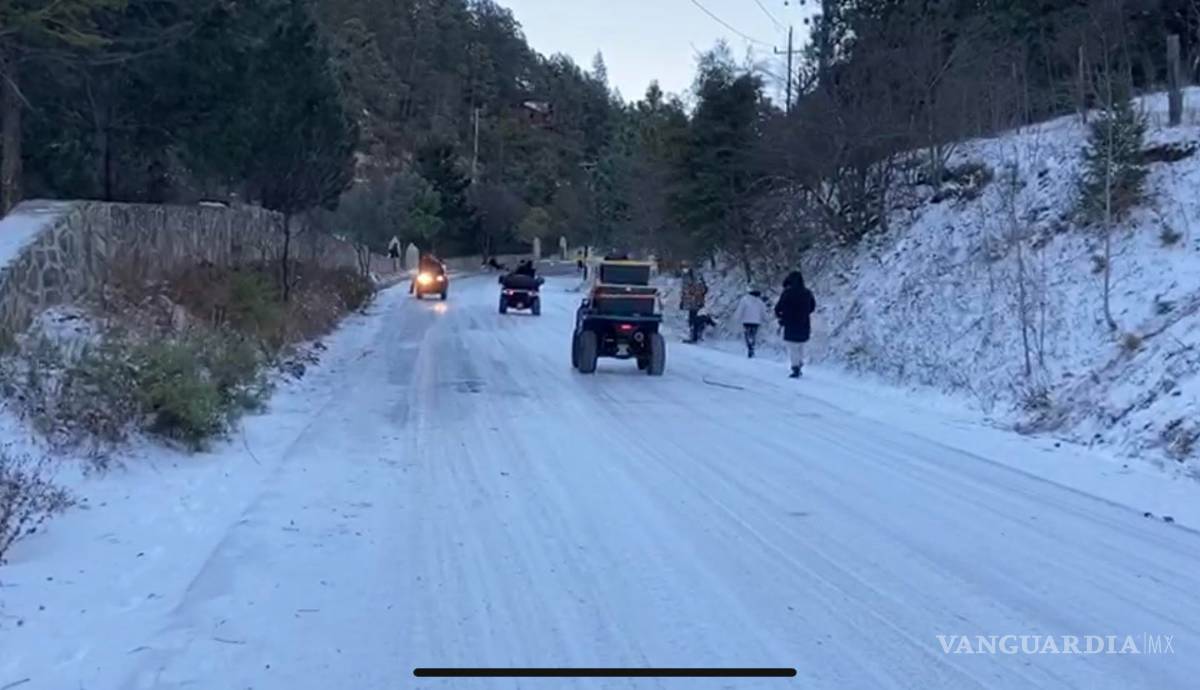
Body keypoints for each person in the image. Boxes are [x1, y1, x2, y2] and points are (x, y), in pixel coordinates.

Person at [774, 271, 817, 378]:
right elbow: (812, 307)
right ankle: (800, 362)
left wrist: (781, 316)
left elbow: (778, 308)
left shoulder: (787, 293)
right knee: (801, 344)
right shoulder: (807, 293)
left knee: (792, 346)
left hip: (791, 323)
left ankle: (795, 367)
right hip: (804, 323)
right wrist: (805, 313)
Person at [732, 288, 769, 358]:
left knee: (747, 334)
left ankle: (749, 346)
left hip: (746, 321)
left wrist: (736, 318)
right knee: (753, 334)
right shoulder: (760, 302)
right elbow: (763, 312)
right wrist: (766, 319)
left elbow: (740, 310)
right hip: (756, 322)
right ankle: (752, 346)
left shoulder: (744, 300)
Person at [680, 268, 708, 343]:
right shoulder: (699, 278)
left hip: (693, 303)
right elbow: (705, 289)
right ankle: (696, 334)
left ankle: (695, 336)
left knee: (693, 319)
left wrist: (683, 301)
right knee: (695, 319)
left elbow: (685, 291)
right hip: (697, 303)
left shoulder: (688, 279)